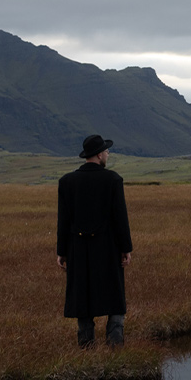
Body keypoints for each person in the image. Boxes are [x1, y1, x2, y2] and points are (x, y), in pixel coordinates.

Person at [57, 134, 132, 348]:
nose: (108, 153)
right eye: (106, 151)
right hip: (108, 248)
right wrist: (126, 248)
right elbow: (120, 218)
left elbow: (63, 220)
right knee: (115, 293)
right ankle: (115, 343)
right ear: (99, 155)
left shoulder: (67, 182)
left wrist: (61, 251)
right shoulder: (113, 180)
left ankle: (86, 345)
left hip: (77, 249)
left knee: (83, 294)